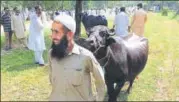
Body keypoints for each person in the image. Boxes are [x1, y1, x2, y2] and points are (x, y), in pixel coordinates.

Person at [48, 14, 106, 101]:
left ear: (70, 35)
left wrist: (98, 99)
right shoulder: (51, 54)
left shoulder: (86, 56)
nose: (52, 36)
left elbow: (101, 82)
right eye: (52, 31)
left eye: (56, 32)